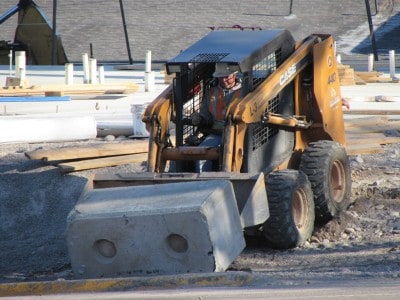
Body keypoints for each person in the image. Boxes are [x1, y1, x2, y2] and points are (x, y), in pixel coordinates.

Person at [191, 62, 243, 172]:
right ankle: (204, 181)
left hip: (240, 134)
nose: (224, 80)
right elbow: (206, 117)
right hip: (217, 134)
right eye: (220, 77)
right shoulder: (211, 93)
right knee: (202, 153)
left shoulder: (245, 92)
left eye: (226, 77)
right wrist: (199, 118)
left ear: (234, 75)